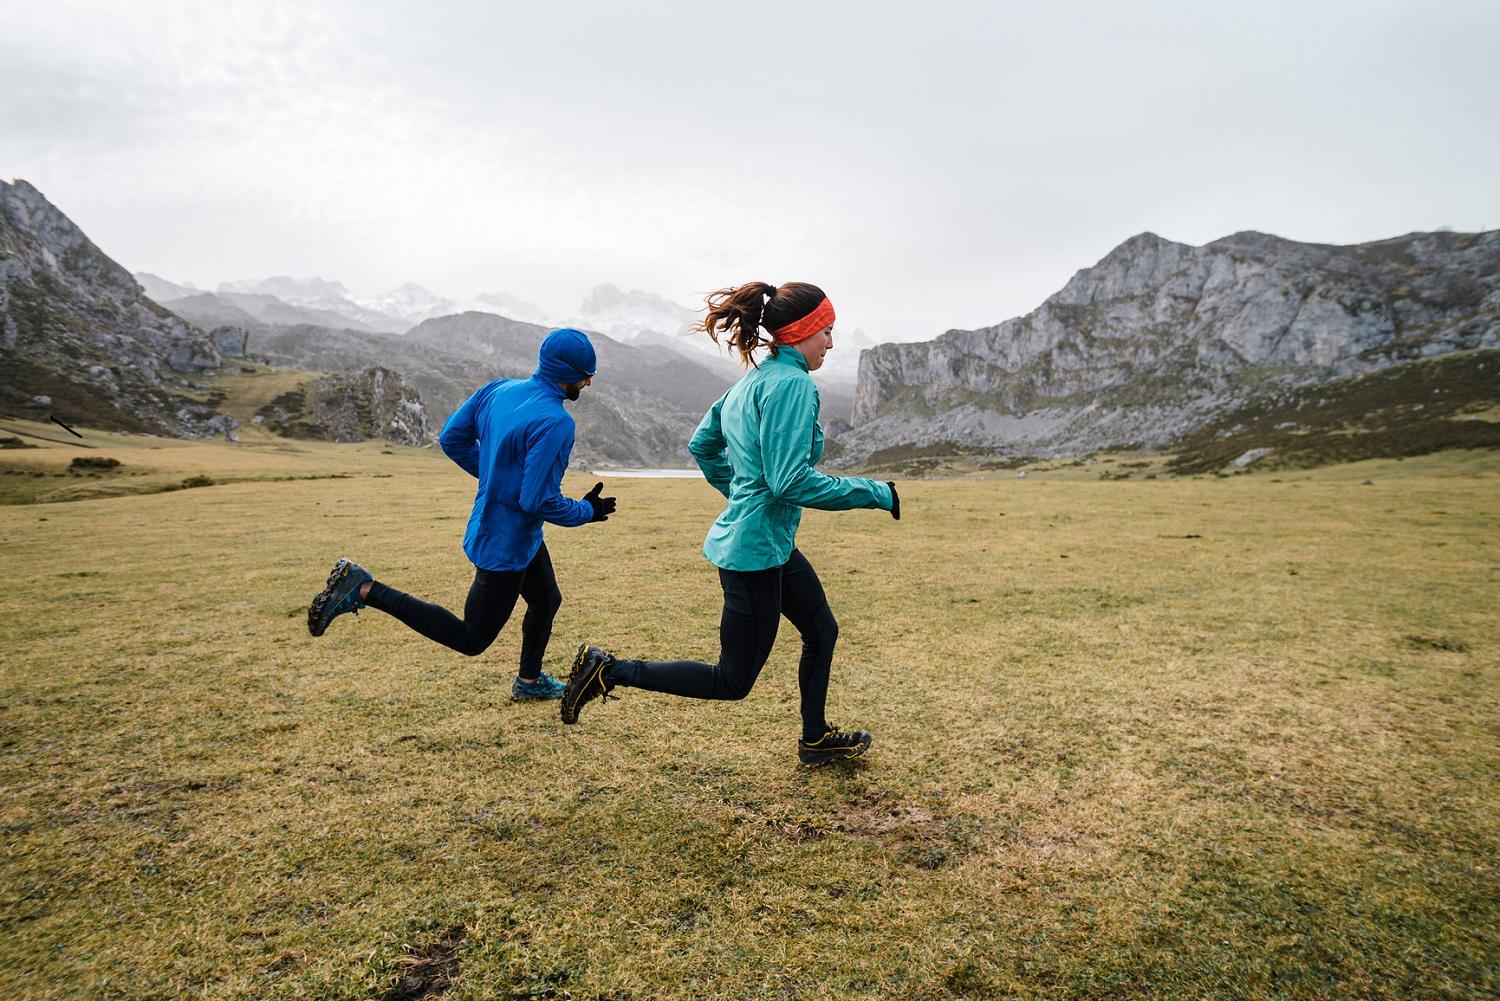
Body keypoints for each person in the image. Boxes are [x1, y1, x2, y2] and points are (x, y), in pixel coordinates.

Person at [559, 282, 900, 764]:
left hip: (770, 544)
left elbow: (703, 444)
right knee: (731, 681)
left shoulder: (752, 382)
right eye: (826, 331)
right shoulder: (793, 385)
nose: (831, 343)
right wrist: (874, 492)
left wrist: (740, 493)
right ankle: (608, 670)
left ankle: (815, 739)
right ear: (802, 333)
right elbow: (788, 482)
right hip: (754, 553)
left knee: (821, 630)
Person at [307, 327, 617, 701]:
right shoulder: (555, 421)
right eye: (587, 375)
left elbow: (452, 438)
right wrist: (587, 510)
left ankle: (529, 683)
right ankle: (364, 588)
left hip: (513, 533)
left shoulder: (498, 389)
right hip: (506, 544)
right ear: (568, 373)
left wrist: (496, 478)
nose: (588, 383)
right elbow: (537, 500)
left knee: (546, 600)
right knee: (471, 638)